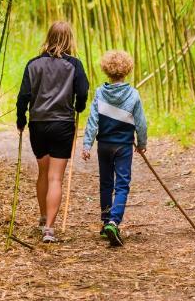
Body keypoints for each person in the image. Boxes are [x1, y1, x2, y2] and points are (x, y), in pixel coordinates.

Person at [17, 21, 89, 243]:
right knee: (55, 177)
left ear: (49, 37)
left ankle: (42, 217)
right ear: (69, 39)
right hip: (62, 124)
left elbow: (23, 96)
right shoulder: (74, 65)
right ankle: (49, 228)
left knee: (43, 174)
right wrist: (79, 107)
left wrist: (21, 119)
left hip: (38, 124)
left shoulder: (33, 64)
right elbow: (83, 91)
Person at [82, 49, 147, 247]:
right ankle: (113, 221)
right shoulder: (133, 95)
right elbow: (141, 123)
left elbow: (93, 120)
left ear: (106, 70)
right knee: (122, 184)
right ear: (127, 70)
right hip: (124, 146)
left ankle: (105, 222)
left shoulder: (100, 93)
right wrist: (142, 143)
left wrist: (87, 144)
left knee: (106, 183)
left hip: (104, 145)